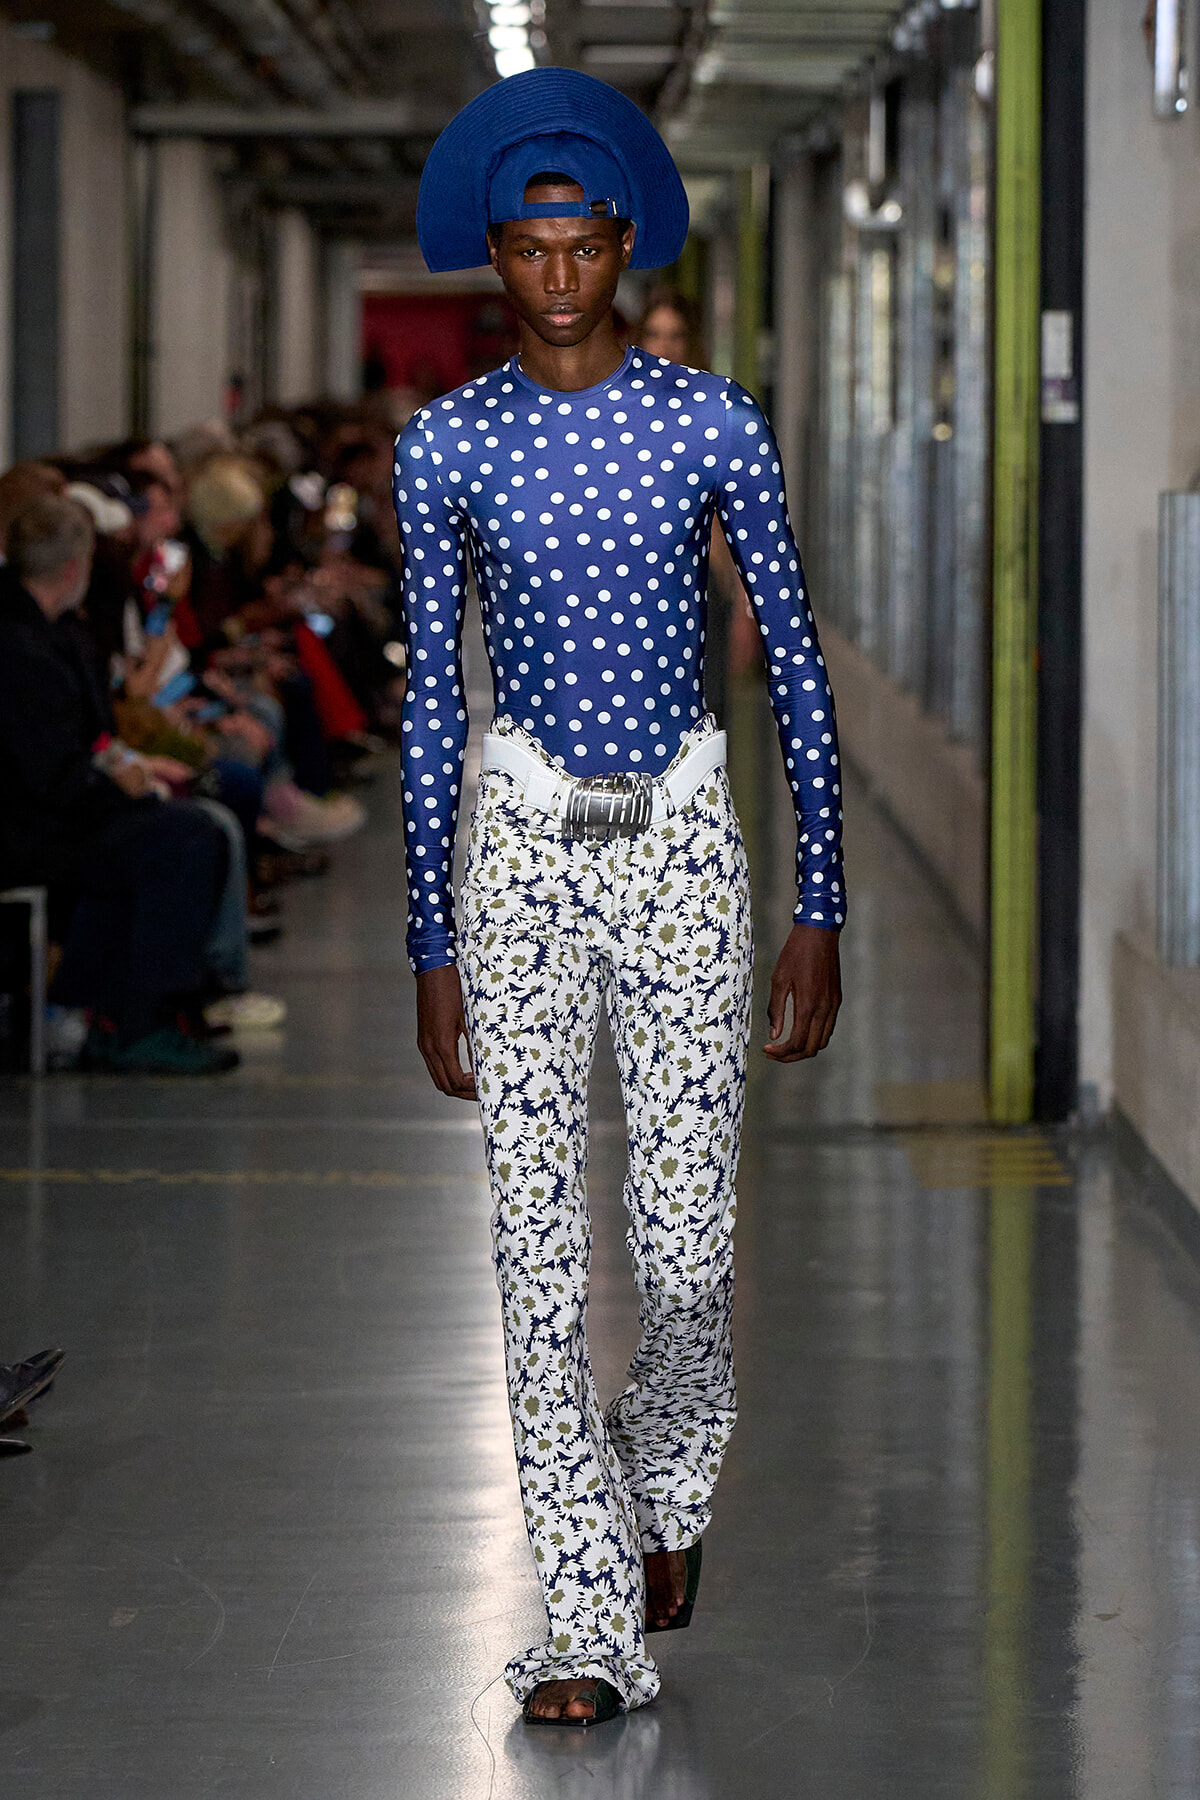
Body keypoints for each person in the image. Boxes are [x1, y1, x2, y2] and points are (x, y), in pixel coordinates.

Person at [395, 67, 844, 1728]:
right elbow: (435, 699)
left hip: (679, 848)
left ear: (627, 243)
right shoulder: (444, 449)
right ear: (496, 258)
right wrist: (429, 933)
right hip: (519, 854)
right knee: (530, 1256)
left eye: (585, 241)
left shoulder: (712, 423)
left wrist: (826, 900)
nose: (560, 270)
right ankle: (586, 1618)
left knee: (681, 1253)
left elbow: (791, 662)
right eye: (531, 244)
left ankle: (666, 1481)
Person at [0, 495, 238, 1074]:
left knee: (177, 826)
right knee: (182, 838)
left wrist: (132, 769)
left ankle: (102, 1006)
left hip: (54, 809)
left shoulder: (50, 634)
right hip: (27, 826)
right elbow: (50, 774)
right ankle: (137, 1022)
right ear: (72, 569)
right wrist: (124, 782)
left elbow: (78, 748)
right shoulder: (22, 650)